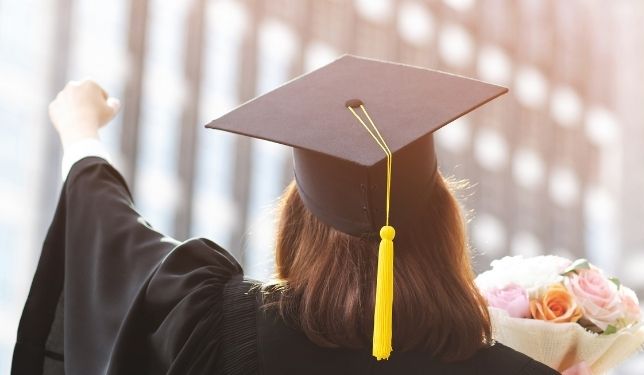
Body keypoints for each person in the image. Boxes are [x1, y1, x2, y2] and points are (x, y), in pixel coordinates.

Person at [14, 56, 559, 375]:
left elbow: (114, 237)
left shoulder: (218, 324)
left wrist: (81, 135)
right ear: (444, 224)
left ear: (299, 224)